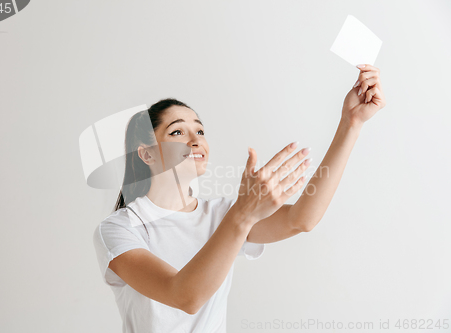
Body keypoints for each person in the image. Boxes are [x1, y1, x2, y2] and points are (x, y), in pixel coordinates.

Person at [93, 64, 386, 333]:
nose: (196, 139)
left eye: (200, 130)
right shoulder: (120, 229)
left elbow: (302, 219)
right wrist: (243, 214)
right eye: (178, 131)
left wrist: (351, 124)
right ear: (146, 154)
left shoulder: (221, 214)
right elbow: (184, 295)